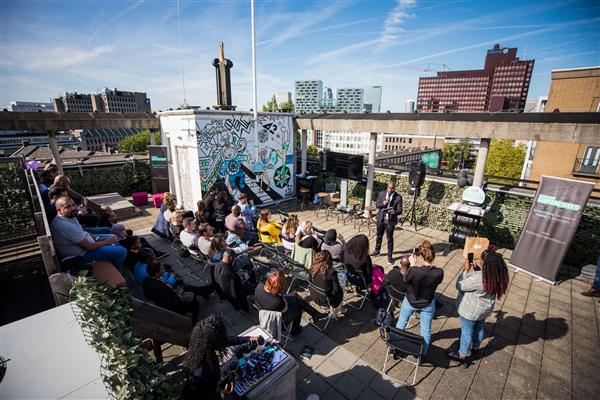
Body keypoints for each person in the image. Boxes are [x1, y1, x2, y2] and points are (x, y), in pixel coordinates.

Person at [448, 247, 509, 367]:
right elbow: (484, 281)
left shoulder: (479, 279)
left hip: (471, 311)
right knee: (480, 329)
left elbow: (460, 286)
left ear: (487, 265)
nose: (481, 261)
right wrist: (477, 269)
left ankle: (462, 356)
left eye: (483, 261)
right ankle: (476, 348)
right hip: (484, 310)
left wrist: (465, 271)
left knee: (466, 332)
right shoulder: (497, 276)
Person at [182, 315, 261, 400]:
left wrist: (247, 339)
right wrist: (224, 392)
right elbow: (206, 394)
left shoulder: (199, 347)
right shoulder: (203, 370)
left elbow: (224, 340)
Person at [50, 197, 127, 271]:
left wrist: (97, 238)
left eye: (73, 205)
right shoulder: (65, 226)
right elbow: (89, 247)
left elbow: (82, 232)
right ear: (59, 210)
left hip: (87, 245)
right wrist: (107, 242)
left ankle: (114, 257)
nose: (73, 208)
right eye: (68, 207)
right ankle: (118, 269)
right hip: (81, 255)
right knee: (122, 251)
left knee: (113, 237)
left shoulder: (69, 216)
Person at [395, 240, 444, 355]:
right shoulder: (439, 272)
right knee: (426, 330)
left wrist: (412, 265)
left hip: (411, 300)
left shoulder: (415, 271)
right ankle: (423, 352)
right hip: (427, 302)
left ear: (421, 257)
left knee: (402, 322)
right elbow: (438, 280)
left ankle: (395, 345)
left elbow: (406, 279)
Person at [254, 271, 326, 335]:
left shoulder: (259, 286)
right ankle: (297, 329)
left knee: (295, 298)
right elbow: (285, 308)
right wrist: (283, 299)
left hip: (263, 313)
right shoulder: (277, 301)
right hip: (277, 321)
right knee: (298, 307)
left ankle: (314, 314)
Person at [371, 181, 403, 265]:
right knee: (379, 236)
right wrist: (383, 203)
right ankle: (377, 251)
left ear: (394, 188)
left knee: (390, 238)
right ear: (387, 187)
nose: (391, 190)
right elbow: (377, 205)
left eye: (392, 188)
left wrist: (394, 211)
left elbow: (400, 210)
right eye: (389, 188)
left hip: (390, 221)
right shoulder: (382, 193)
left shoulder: (398, 197)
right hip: (381, 219)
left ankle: (390, 256)